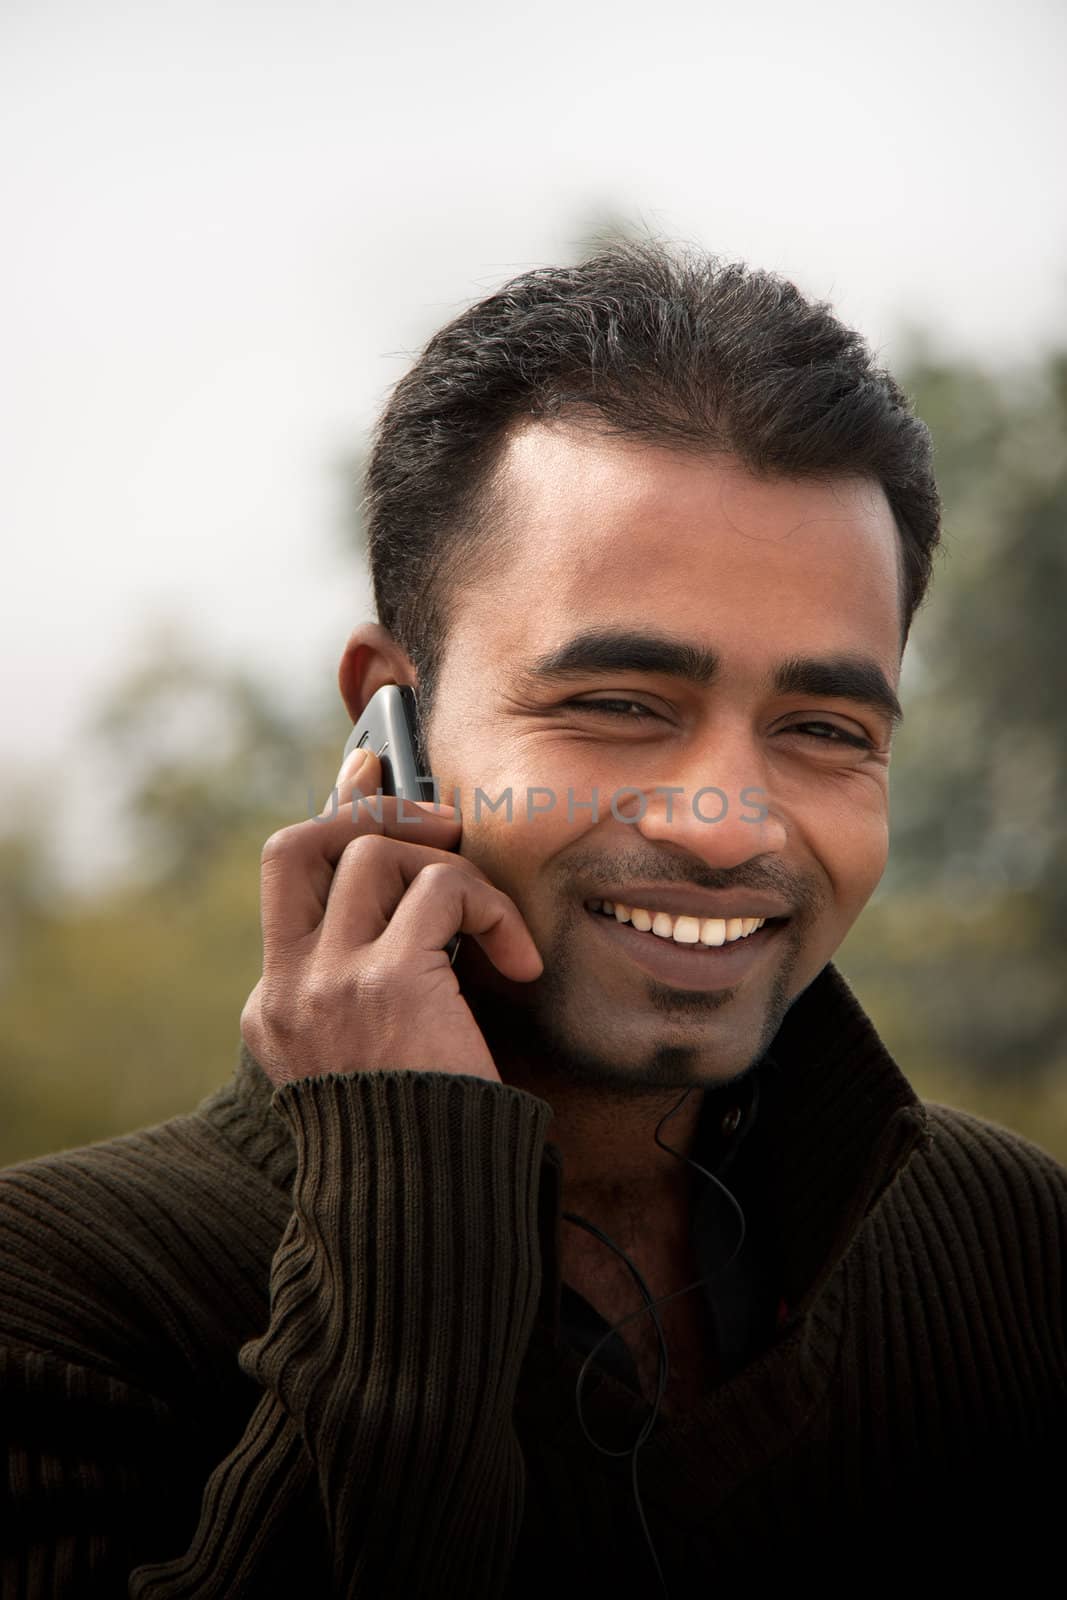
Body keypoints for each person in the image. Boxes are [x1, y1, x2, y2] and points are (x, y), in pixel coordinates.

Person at [1, 240, 1063, 1599]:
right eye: (620, 706)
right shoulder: (53, 1305)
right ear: (390, 722)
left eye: (823, 728)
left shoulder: (1011, 1253)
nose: (727, 821)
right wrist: (410, 1215)